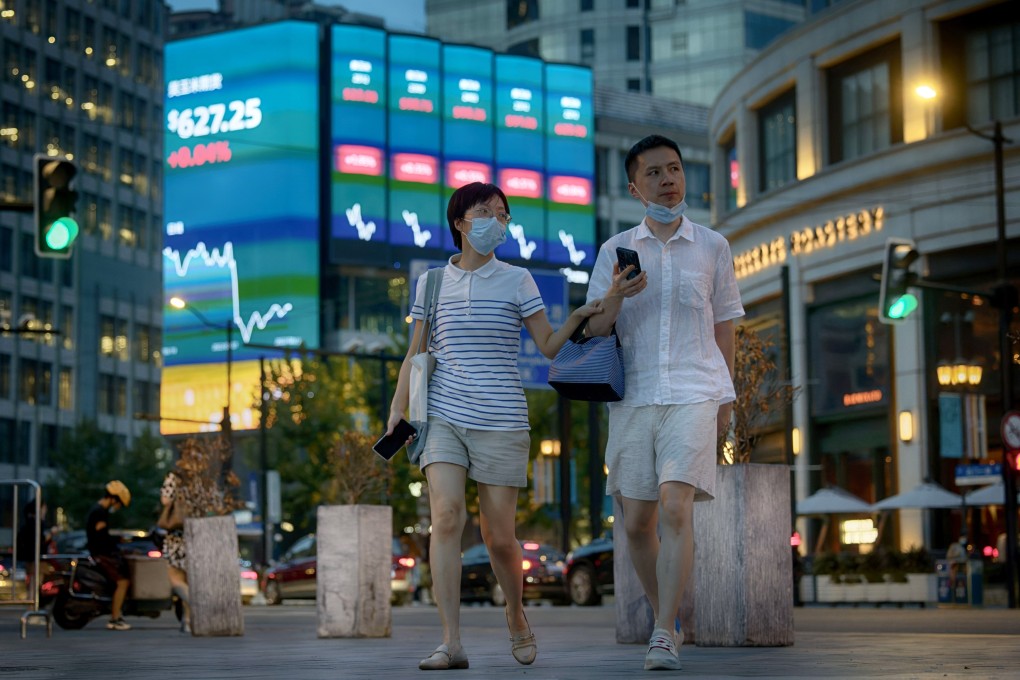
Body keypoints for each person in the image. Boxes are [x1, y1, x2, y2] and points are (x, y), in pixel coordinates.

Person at [385, 181, 603, 671]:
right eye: (486, 212)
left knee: (500, 538)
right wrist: (399, 409)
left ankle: (516, 612)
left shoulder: (518, 279)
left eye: (503, 214)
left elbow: (547, 346)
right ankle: (450, 642)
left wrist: (580, 317)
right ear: (460, 221)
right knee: (446, 518)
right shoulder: (432, 283)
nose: (496, 222)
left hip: (502, 418)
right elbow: (416, 353)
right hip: (442, 415)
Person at [584, 134, 744, 671]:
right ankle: (666, 617)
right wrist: (614, 296)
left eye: (674, 169)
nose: (667, 179)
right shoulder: (614, 251)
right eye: (654, 172)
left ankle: (660, 634)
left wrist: (726, 400)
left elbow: (725, 331)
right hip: (634, 396)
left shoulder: (714, 246)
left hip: (695, 392)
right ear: (635, 186)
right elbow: (596, 329)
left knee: (676, 506)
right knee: (635, 523)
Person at [85, 480, 133, 631]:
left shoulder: (99, 510)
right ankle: (115, 618)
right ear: (114, 499)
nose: (117, 507)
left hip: (100, 552)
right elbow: (101, 537)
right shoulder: (99, 512)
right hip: (102, 554)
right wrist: (118, 542)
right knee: (123, 582)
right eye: (119, 503)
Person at [160, 471, 191, 633]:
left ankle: (196, 604)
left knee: (175, 580)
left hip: (176, 538)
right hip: (196, 536)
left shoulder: (174, 477)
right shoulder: (201, 478)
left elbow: (165, 500)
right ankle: (187, 621)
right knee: (188, 581)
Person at [16, 494, 56, 593]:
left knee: (33, 584)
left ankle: (32, 605)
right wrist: (51, 533)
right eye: (44, 508)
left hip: (31, 558)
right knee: (35, 584)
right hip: (36, 558)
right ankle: (32, 605)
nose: (45, 511)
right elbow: (39, 540)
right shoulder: (36, 523)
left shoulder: (29, 522)